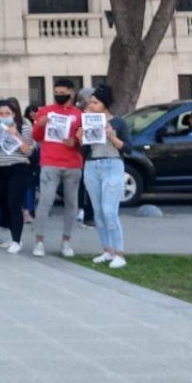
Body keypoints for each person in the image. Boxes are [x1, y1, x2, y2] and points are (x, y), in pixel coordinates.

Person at [78, 85, 132, 269]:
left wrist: (112, 136)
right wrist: (81, 137)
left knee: (110, 211)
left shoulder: (118, 123)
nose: (91, 105)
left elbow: (128, 149)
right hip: (92, 165)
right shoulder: (87, 121)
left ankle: (119, 253)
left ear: (104, 104)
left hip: (112, 164)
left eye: (95, 102)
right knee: (98, 211)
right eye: (89, 102)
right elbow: (84, 150)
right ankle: (107, 250)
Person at [32, 78, 84, 258]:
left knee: (71, 204)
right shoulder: (45, 111)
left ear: (71, 93)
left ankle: (66, 241)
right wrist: (40, 125)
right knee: (45, 202)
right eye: (56, 93)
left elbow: (84, 140)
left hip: (72, 163)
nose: (59, 96)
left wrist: (76, 141)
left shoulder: (78, 114)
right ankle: (39, 241)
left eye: (63, 93)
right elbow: (36, 136)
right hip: (50, 162)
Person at [0, 98, 34, 254]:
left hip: (18, 168)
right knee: (5, 204)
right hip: (1, 168)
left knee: (14, 203)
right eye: (1, 113)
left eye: (7, 113)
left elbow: (28, 151)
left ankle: (17, 240)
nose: (4, 115)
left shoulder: (24, 127)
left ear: (14, 113)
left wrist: (17, 135)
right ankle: (12, 236)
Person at [22, 104, 41, 224]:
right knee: (28, 185)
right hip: (29, 156)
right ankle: (28, 209)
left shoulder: (41, 124)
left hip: (39, 158)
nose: (33, 114)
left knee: (34, 186)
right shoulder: (25, 125)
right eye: (31, 111)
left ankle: (32, 209)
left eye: (36, 111)